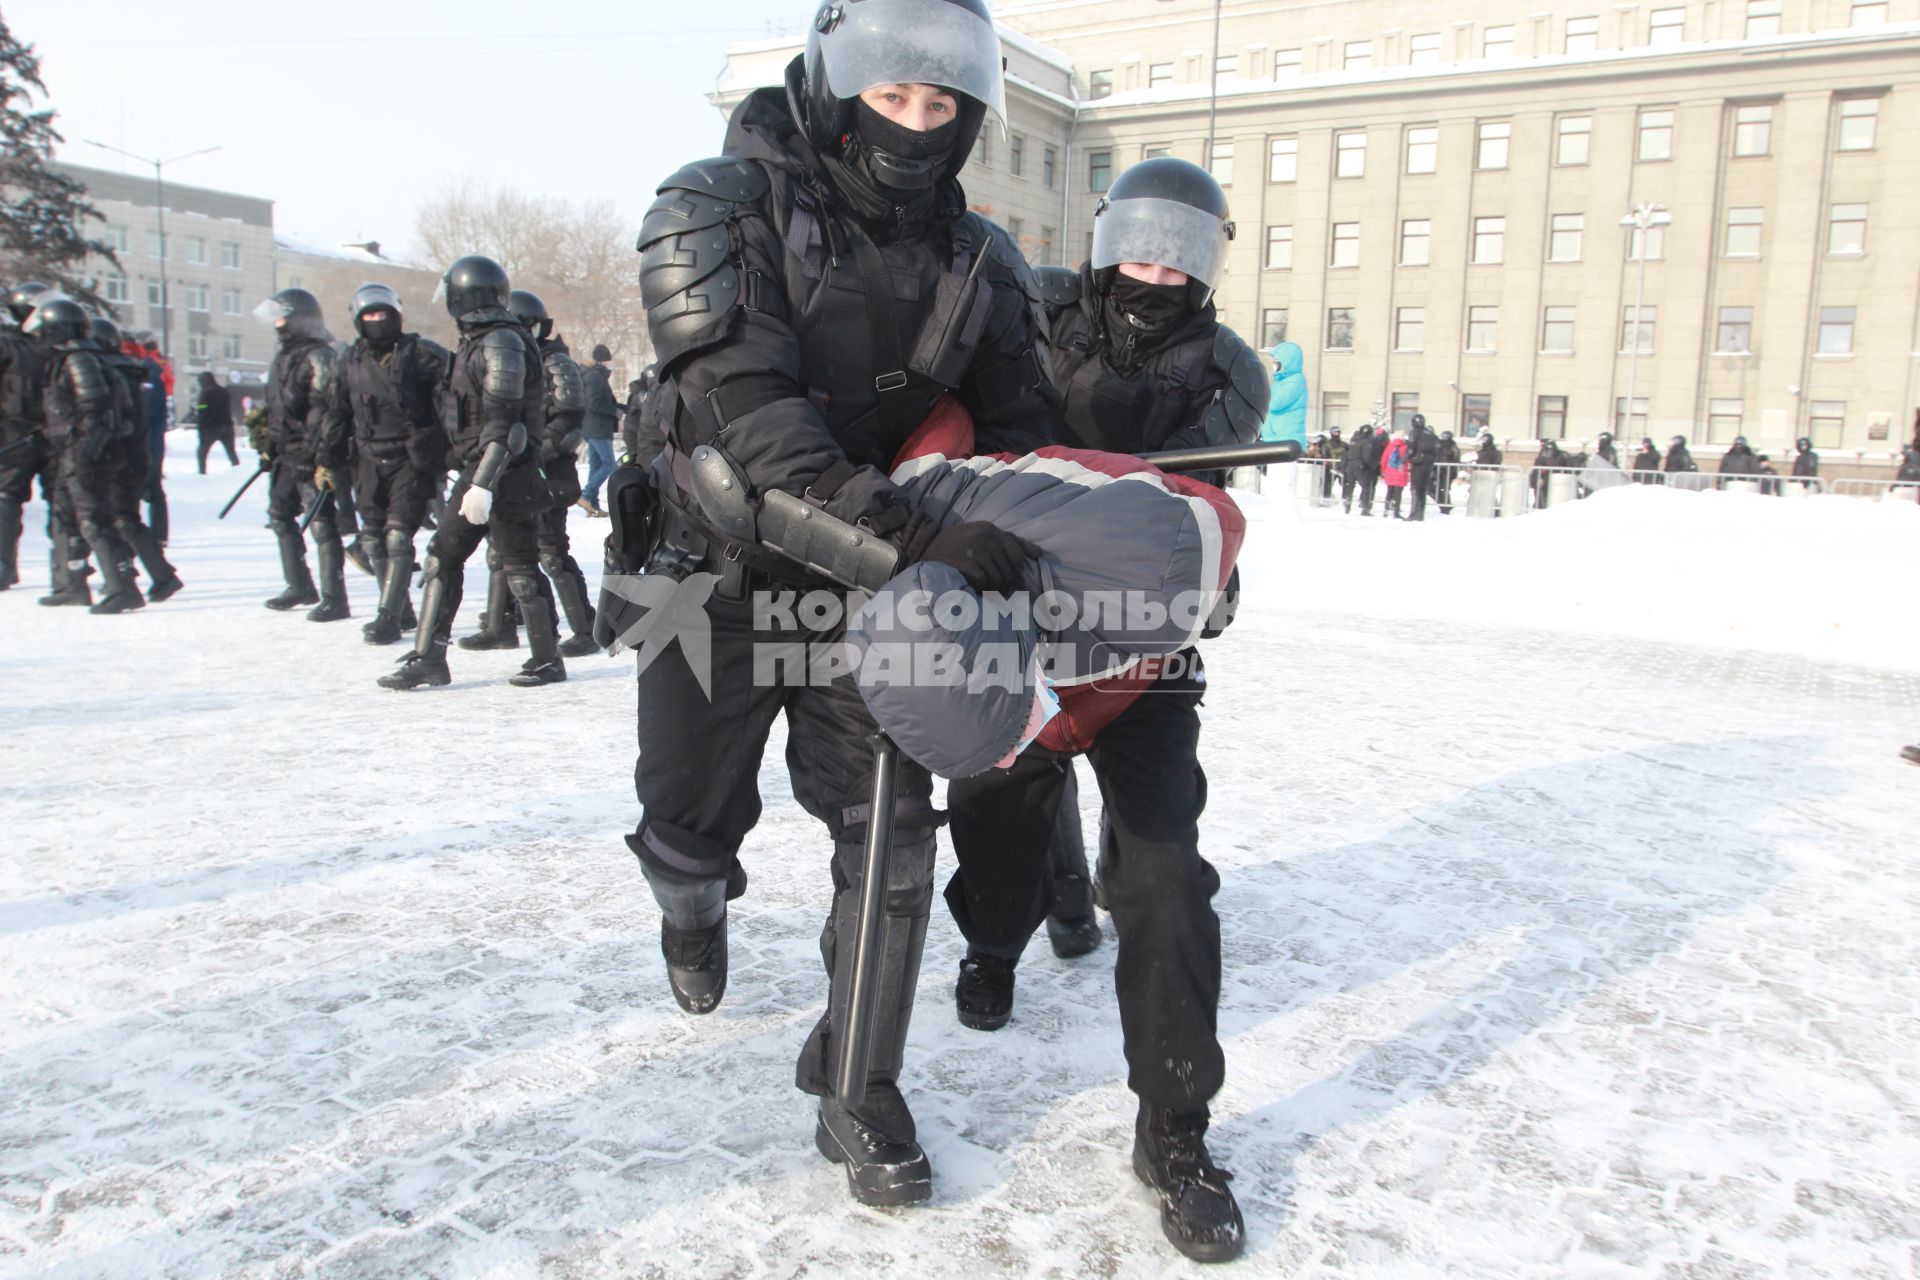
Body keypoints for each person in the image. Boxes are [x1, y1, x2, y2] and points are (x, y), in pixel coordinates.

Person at [623, 0, 1060, 1216]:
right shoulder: (715, 204)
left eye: (941, 103)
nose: (914, 125)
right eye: (892, 95)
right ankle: (691, 908)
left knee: (891, 833)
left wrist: (1032, 527)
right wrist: (921, 533)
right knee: (684, 823)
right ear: (831, 80)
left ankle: (858, 1083)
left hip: (867, 594)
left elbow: (1027, 442)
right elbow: (741, 435)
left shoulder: (983, 262)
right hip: (702, 574)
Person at [940, 152, 1259, 1260]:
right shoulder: (1032, 318)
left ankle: (1175, 1126)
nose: (1153, 265)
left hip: (1146, 652)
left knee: (1166, 870)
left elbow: (1208, 506)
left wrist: (1211, 583)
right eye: (1138, 237)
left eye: (1181, 248)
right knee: (993, 809)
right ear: (1102, 234)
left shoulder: (1229, 371)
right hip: (1024, 623)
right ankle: (994, 937)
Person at [379, 256, 562, 690]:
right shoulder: (477, 341)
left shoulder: (501, 342)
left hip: (504, 475)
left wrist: (481, 484)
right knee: (443, 557)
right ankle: (429, 656)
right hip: (480, 469)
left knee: (519, 567)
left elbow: (507, 428)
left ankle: (547, 659)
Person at [456, 290, 598, 657]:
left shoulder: (555, 362)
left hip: (549, 473)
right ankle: (500, 624)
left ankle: (585, 627)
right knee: (504, 551)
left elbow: (568, 423)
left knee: (551, 552)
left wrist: (533, 450)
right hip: (513, 471)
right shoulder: (501, 358)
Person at [320, 283, 449, 646]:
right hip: (367, 460)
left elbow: (453, 399)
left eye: (383, 314)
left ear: (395, 315)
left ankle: (388, 617)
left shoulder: (422, 353)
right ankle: (400, 608)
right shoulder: (347, 360)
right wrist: (327, 458)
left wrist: (441, 445)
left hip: (410, 458)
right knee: (373, 540)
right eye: (369, 316)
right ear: (360, 320)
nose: (377, 322)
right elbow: (337, 412)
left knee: (397, 537)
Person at [23, 297, 144, 613]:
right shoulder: (66, 359)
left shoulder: (79, 359)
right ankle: (71, 584)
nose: (40, 337)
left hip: (84, 455)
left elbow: (95, 407)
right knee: (65, 519)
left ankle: (123, 588)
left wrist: (85, 449)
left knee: (93, 519)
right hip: (70, 453)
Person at [251, 289, 347, 619]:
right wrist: (266, 444)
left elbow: (325, 410)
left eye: (281, 316)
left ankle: (335, 597)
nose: (277, 324)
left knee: (322, 523)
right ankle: (299, 584)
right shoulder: (283, 356)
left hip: (312, 453)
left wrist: (315, 454)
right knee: (280, 516)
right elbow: (275, 408)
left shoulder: (319, 356)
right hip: (283, 453)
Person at [93, 316, 183, 601]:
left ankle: (142, 570)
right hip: (137, 447)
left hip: (137, 448)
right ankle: (148, 572)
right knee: (124, 512)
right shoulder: (135, 369)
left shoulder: (139, 371)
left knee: (127, 509)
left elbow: (141, 410)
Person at [0, 282, 57, 595]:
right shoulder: (8, 344)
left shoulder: (59, 344)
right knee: (6, 501)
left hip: (54, 437)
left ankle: (68, 570)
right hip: (15, 434)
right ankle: (3, 566)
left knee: (63, 502)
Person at [579, 343, 620, 517]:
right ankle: (586, 495)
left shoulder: (592, 375)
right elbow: (594, 402)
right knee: (609, 463)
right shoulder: (595, 377)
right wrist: (614, 411)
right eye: (608, 361)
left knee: (596, 465)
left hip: (592, 427)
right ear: (602, 361)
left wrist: (622, 407)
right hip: (598, 427)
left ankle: (592, 505)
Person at [193, 372, 237, 471]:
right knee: (231, 452)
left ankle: (202, 473)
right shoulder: (224, 391)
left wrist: (201, 428)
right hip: (227, 426)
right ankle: (237, 469)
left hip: (211, 427)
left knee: (202, 452)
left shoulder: (205, 393)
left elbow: (202, 412)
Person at [1405, 413, 1436, 521]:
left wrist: (1404, 459)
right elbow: (1437, 448)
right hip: (1428, 464)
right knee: (1423, 489)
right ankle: (1420, 514)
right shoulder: (1431, 433)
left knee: (1415, 488)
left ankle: (1413, 513)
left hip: (1418, 463)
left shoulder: (1414, 432)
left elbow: (1411, 448)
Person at [1340, 423, 1372, 512]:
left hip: (1350, 464)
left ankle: (1347, 504)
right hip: (1359, 464)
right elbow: (1367, 456)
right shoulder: (1365, 441)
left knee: (1350, 485)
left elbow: (1347, 453)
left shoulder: (1353, 440)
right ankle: (1365, 508)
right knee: (1365, 486)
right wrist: (1370, 465)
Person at [1378, 429, 1410, 518]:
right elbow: (1407, 461)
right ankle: (1396, 512)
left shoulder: (1390, 446)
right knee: (1398, 493)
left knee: (1389, 491)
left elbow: (1384, 459)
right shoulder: (1405, 447)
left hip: (1389, 472)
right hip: (1400, 472)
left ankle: (1386, 510)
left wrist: (1384, 470)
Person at [1434, 428, 1460, 514]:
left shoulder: (1453, 446)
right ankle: (1443, 504)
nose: (1444, 438)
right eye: (1443, 436)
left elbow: (1456, 459)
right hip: (1437, 469)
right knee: (1433, 489)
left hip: (1448, 471)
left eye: (1446, 436)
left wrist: (1452, 471)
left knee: (1444, 489)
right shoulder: (1438, 445)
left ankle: (1446, 506)